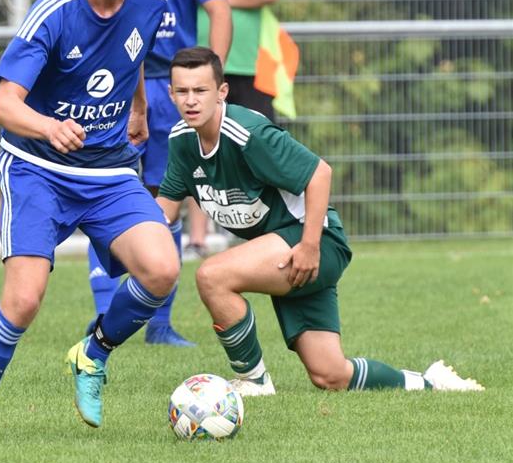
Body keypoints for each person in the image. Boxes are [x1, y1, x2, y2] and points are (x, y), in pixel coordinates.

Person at [0, 0, 181, 445]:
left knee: (163, 269)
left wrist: (140, 108)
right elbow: (4, 105)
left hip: (109, 170)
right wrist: (49, 127)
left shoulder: (148, 0)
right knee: (24, 299)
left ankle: (91, 354)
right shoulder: (53, 13)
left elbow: (135, 51)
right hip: (38, 169)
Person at [157, 47, 484, 395]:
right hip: (280, 249)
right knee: (331, 375)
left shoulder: (248, 133)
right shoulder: (182, 140)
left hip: (312, 240)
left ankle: (253, 382)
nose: (191, 100)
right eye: (182, 91)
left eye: (200, 90)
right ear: (171, 93)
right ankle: (432, 382)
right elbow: (165, 211)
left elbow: (319, 173)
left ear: (221, 92)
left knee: (212, 276)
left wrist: (309, 246)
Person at [55, 0, 232, 347]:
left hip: (174, 87)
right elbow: (63, 4)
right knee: (102, 193)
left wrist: (208, 84)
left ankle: (158, 325)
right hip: (108, 87)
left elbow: (219, 10)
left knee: (165, 195)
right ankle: (107, 315)